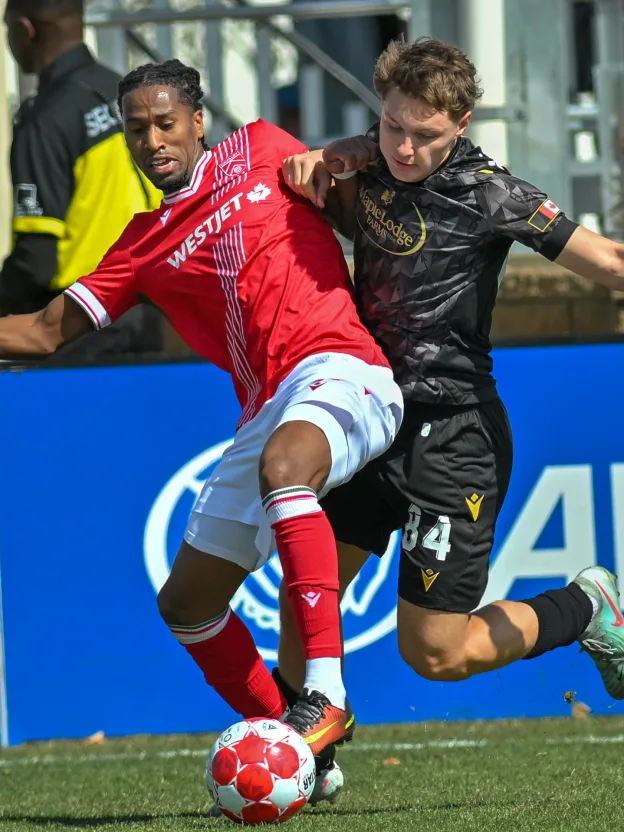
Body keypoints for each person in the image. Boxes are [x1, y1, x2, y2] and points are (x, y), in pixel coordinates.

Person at [0, 58, 404, 779]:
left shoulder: (263, 146)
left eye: (165, 123)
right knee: (187, 603)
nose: (153, 140)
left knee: (286, 467)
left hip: (344, 366)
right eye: (137, 130)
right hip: (268, 407)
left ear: (197, 121)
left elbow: (369, 178)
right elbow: (40, 332)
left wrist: (353, 151)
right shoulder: (142, 244)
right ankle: (303, 755)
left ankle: (326, 695)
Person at [277, 36, 624, 747]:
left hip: (455, 437)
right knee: (302, 603)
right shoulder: (369, 159)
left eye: (426, 134)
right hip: (372, 417)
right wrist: (321, 158)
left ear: (462, 124)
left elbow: (611, 263)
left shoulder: (495, 193)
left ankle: (586, 607)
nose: (405, 147)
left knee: (436, 654)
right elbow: (322, 171)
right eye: (393, 126)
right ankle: (313, 755)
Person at [1, 0, 162, 358]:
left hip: (77, 326)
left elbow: (36, 263)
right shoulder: (127, 94)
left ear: (25, 30)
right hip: (147, 316)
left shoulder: (46, 120)